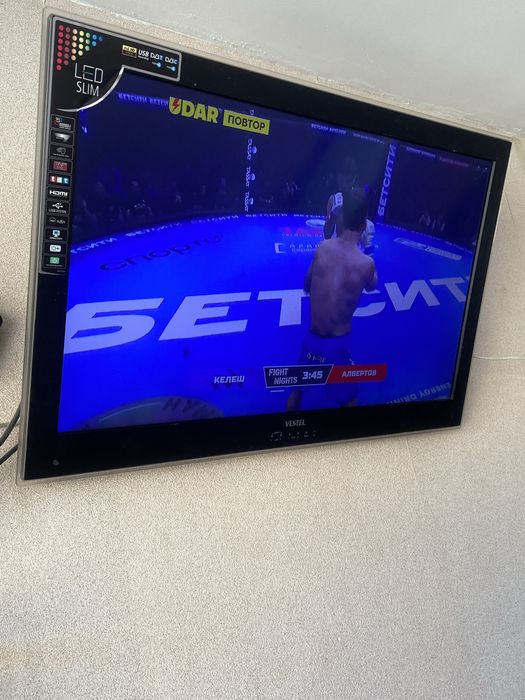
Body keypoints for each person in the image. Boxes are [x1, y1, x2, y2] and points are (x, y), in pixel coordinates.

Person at [287, 188, 377, 411]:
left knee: (296, 392)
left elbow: (306, 284)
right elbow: (372, 285)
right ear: (364, 224)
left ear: (342, 218)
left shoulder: (322, 248)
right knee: (349, 402)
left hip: (313, 338)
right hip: (337, 345)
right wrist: (369, 247)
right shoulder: (366, 264)